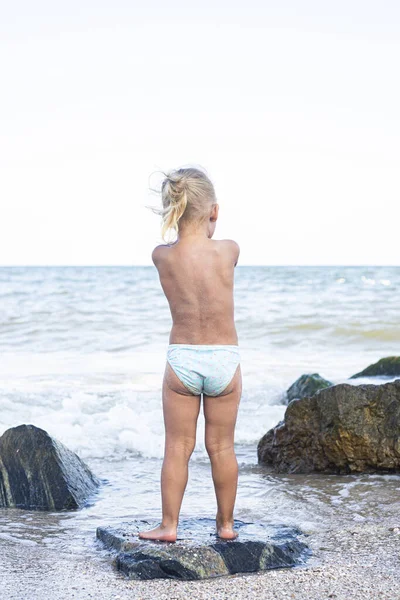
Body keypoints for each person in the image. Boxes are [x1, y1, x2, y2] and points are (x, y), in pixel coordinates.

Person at [138, 166, 242, 542]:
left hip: (182, 360)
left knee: (177, 447)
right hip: (223, 360)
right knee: (222, 446)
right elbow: (220, 253)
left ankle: (169, 526)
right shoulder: (229, 250)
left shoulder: (161, 257)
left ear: (174, 210)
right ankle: (226, 526)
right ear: (214, 211)